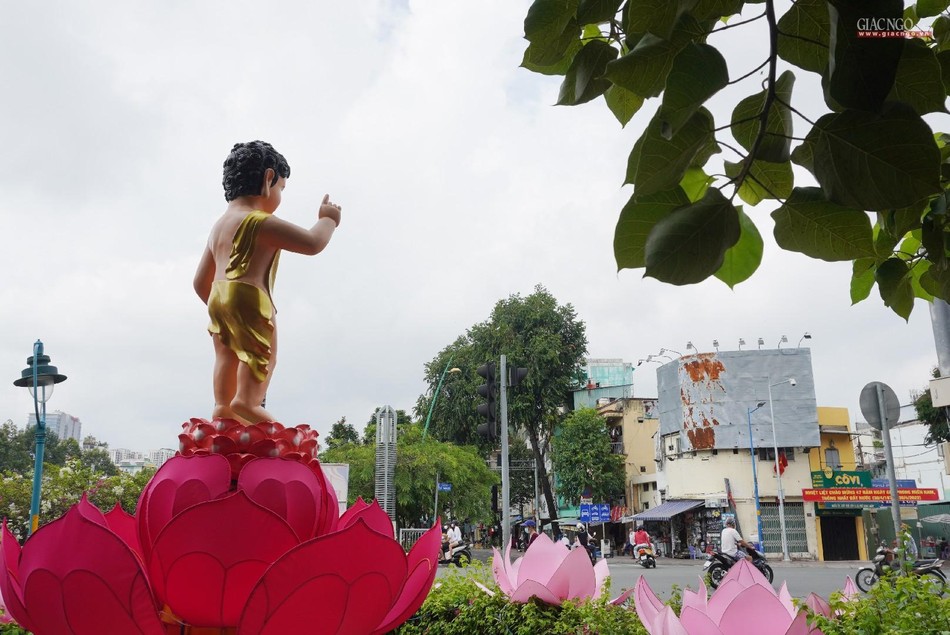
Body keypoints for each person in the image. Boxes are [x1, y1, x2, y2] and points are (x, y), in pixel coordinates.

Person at [194, 141, 342, 425]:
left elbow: (200, 281)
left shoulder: (219, 227)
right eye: (281, 188)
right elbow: (312, 243)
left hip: (217, 298)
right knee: (262, 357)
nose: (280, 196)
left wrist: (223, 307)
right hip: (251, 298)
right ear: (268, 179)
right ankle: (248, 403)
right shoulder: (259, 222)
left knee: (226, 355)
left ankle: (223, 407)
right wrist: (328, 220)